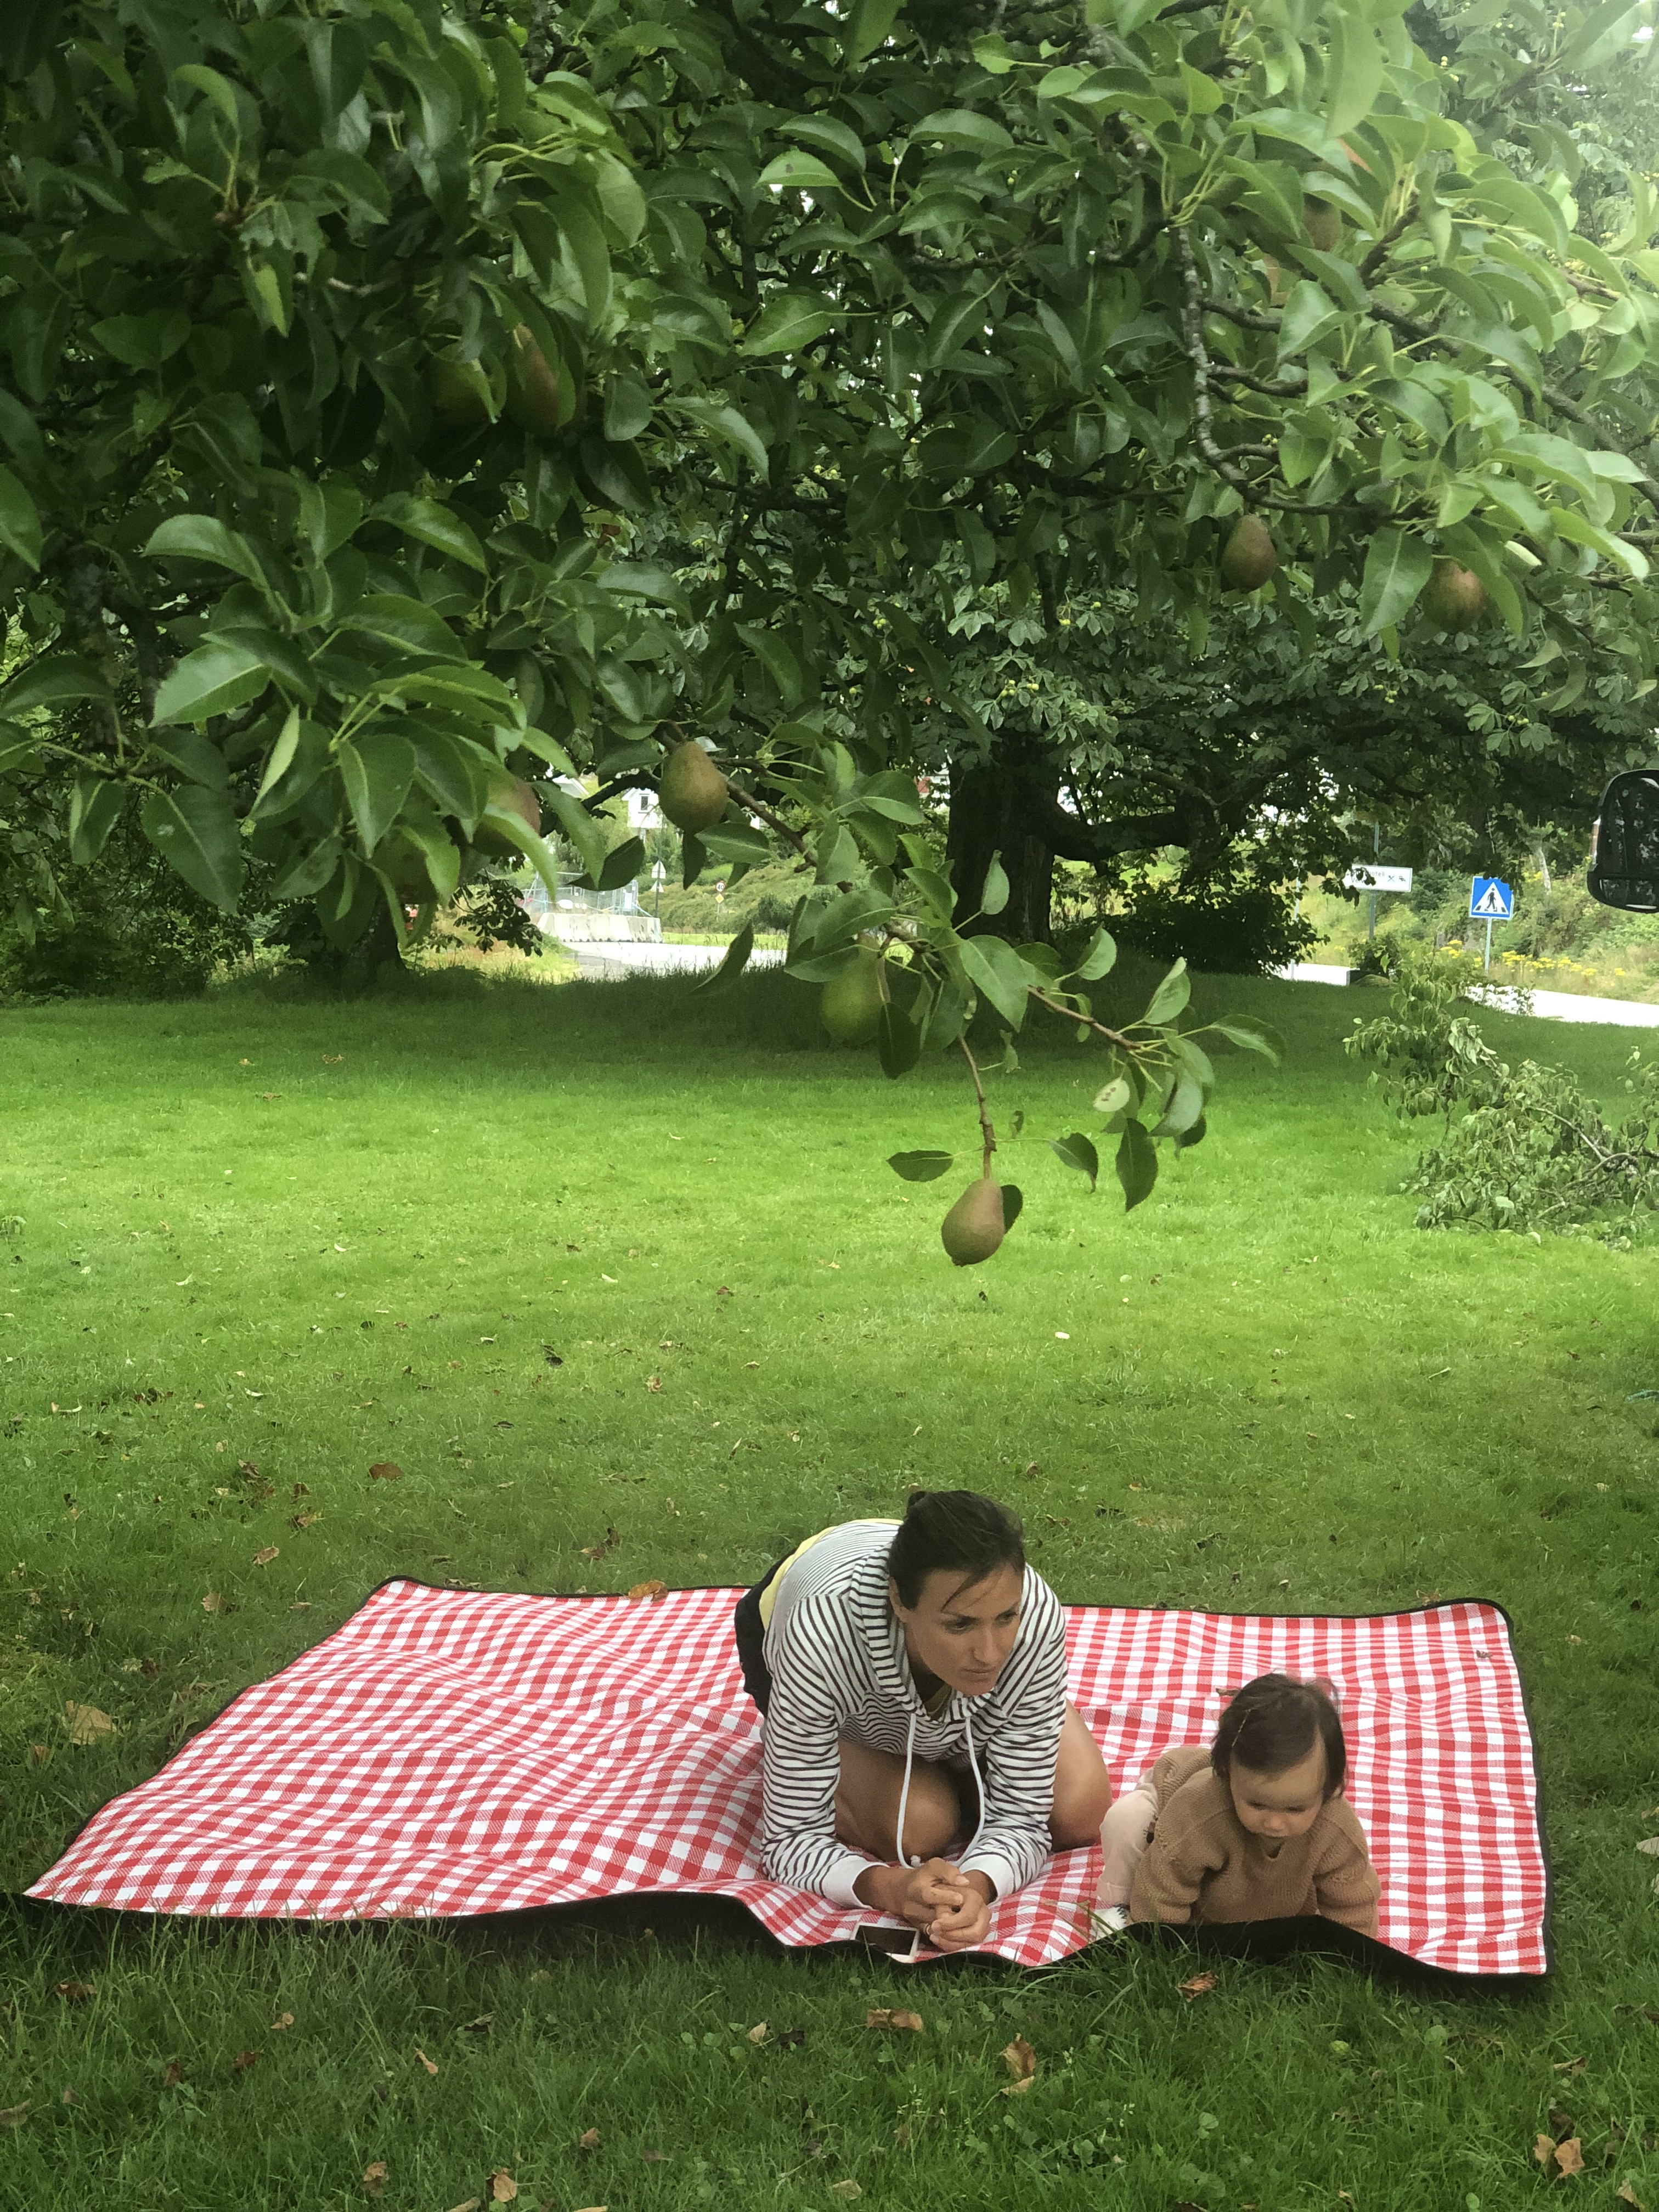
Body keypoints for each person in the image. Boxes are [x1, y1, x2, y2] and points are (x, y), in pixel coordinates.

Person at [733, 1491, 1115, 1953]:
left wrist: (972, 1889)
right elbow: (792, 1838)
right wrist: (890, 1888)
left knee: (1079, 1811)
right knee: (921, 1825)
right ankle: (824, 1734)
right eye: (960, 1625)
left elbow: (1022, 1819)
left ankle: (986, 1732)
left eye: (1005, 1618)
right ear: (899, 1600)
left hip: (914, 1591)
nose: (990, 1653)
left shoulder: (1034, 1613)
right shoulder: (819, 1631)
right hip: (801, 1618)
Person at [1097, 1673, 1380, 1936]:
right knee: (1126, 1822)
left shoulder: (1334, 1826)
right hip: (1167, 1808)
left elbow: (1353, 1903)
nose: (1275, 1823)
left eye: (1295, 1809)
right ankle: (1122, 1907)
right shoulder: (1199, 1811)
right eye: (1257, 1804)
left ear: (1328, 1791)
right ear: (1227, 1775)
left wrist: (1353, 1954)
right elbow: (1163, 1886)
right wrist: (1156, 1940)